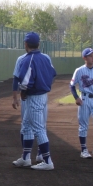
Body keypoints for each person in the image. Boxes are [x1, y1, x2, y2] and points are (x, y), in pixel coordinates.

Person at [12, 32, 57, 170]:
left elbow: (25, 82)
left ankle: (48, 161)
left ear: (26, 44)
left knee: (38, 129)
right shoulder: (45, 58)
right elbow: (53, 74)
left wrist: (23, 92)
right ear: (38, 44)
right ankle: (26, 158)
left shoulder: (28, 59)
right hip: (42, 95)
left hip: (34, 97)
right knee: (26, 126)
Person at [70, 48, 93, 159]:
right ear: (84, 58)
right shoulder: (79, 70)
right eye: (90, 56)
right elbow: (72, 85)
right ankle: (84, 150)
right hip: (85, 99)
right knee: (83, 126)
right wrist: (76, 98)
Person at [12, 51, 43, 162]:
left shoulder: (43, 58)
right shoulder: (44, 58)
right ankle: (29, 155)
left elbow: (17, 79)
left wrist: (16, 96)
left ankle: (31, 155)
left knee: (29, 126)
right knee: (33, 126)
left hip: (31, 95)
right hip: (39, 96)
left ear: (25, 44)